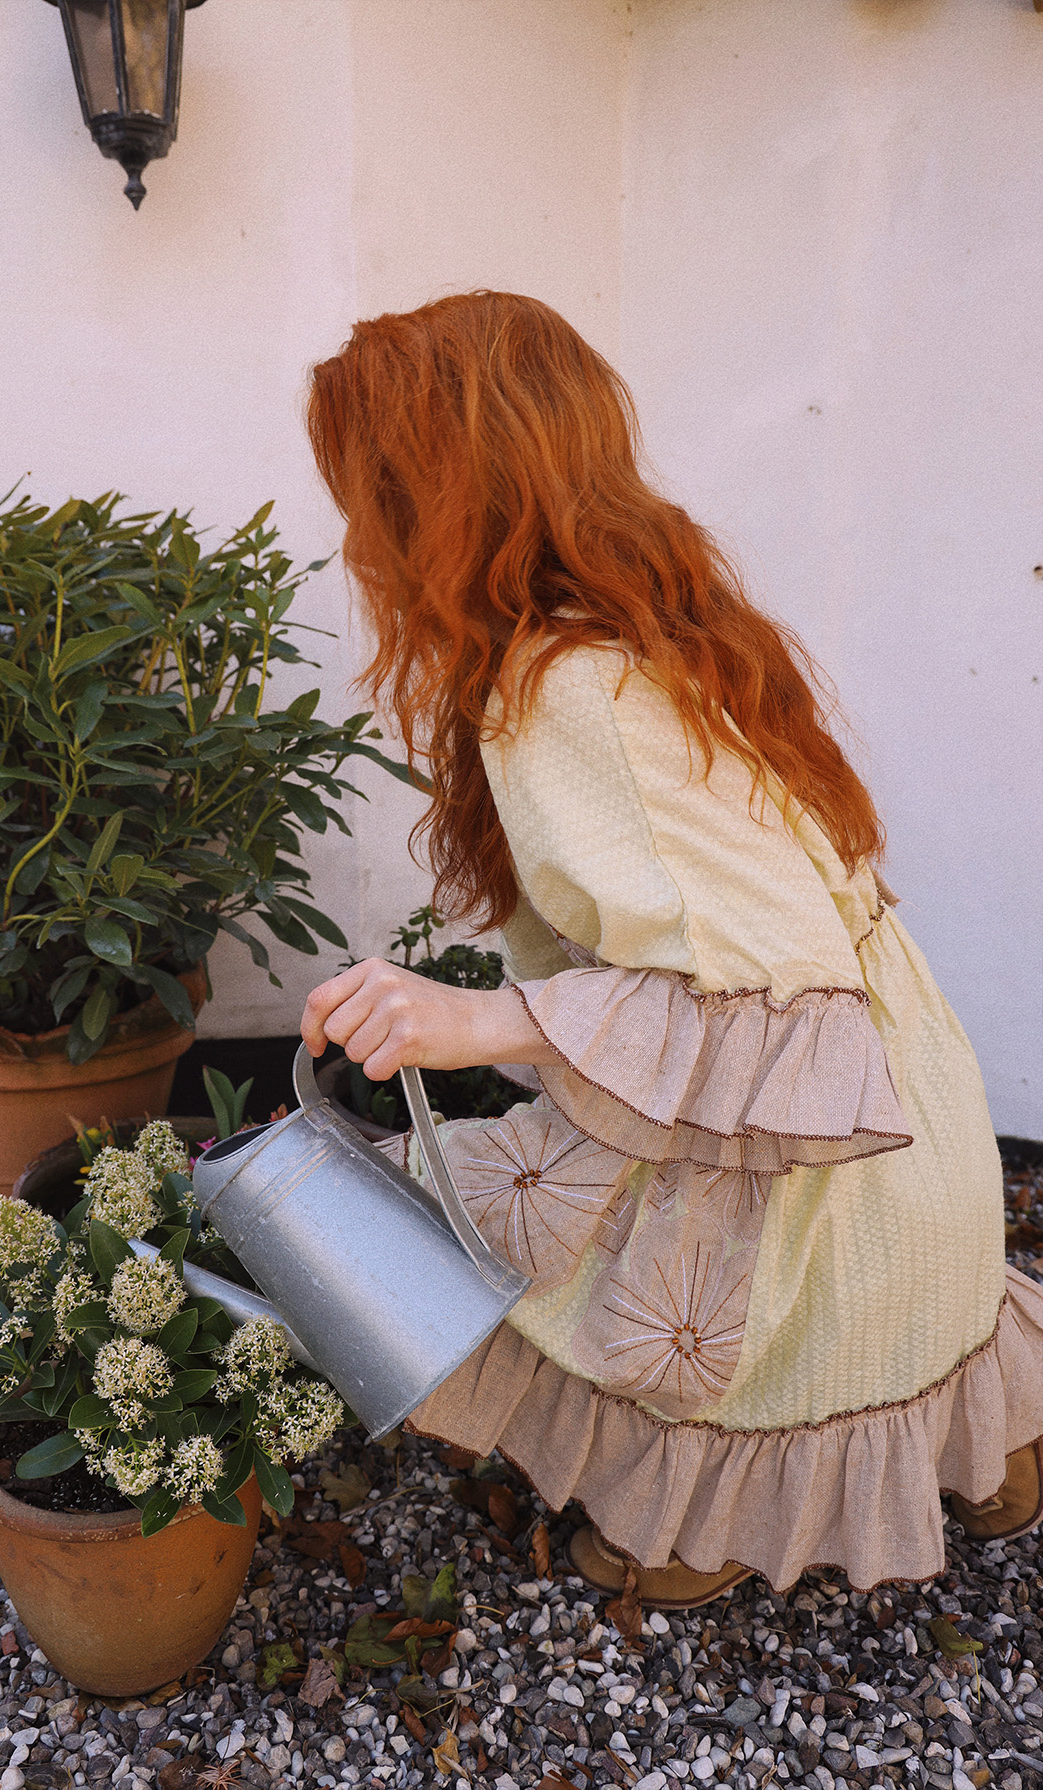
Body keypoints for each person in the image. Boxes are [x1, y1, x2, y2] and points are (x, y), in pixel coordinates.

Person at [299, 290, 1043, 1607]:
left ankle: (710, 1520)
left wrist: (476, 1020)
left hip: (809, 1148)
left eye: (373, 492)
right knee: (902, 1300)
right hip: (910, 1122)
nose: (360, 533)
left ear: (441, 496)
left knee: (685, 1307)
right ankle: (992, 1456)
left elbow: (766, 1012)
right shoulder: (653, 618)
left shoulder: (569, 686)